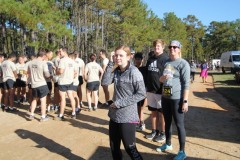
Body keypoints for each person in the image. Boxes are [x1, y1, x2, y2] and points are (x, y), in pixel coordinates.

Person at [102, 45, 145, 160]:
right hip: (114, 116)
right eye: (116, 55)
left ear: (128, 57)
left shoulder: (134, 72)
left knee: (130, 148)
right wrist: (111, 63)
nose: (118, 58)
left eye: (121, 55)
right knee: (114, 147)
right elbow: (105, 81)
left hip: (128, 117)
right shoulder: (116, 70)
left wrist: (119, 103)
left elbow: (141, 93)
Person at [157, 40, 190, 160]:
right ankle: (168, 144)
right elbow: (161, 79)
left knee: (179, 125)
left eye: (175, 47)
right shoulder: (166, 62)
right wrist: (162, 78)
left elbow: (186, 84)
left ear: (179, 49)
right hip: (165, 97)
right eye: (170, 47)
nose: (172, 49)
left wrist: (185, 101)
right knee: (167, 122)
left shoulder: (183, 64)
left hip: (177, 98)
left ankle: (182, 152)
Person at [145, 39, 168, 142]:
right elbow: (147, 73)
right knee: (153, 112)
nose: (156, 48)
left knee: (162, 113)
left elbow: (169, 77)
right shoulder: (150, 59)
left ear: (163, 47)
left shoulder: (166, 59)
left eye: (158, 46)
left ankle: (163, 133)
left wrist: (167, 93)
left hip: (161, 91)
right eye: (155, 46)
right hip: (150, 90)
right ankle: (154, 131)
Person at [27, 49, 50, 121]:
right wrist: (50, 75)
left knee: (34, 99)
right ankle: (43, 116)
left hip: (34, 84)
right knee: (43, 100)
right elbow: (47, 75)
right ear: (43, 56)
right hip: (42, 84)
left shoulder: (30, 63)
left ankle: (31, 114)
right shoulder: (43, 63)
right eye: (45, 56)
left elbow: (28, 73)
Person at [56, 47, 78, 120]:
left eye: (60, 51)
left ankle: (61, 115)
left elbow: (61, 71)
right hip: (70, 81)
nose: (59, 53)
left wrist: (57, 71)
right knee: (71, 97)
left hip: (63, 82)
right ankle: (73, 113)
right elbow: (75, 73)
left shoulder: (62, 61)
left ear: (64, 52)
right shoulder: (72, 61)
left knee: (63, 98)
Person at [133, 52, 147, 132]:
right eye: (136, 59)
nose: (137, 61)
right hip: (134, 92)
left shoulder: (145, 69)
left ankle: (141, 123)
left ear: (142, 59)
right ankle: (137, 122)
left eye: (139, 59)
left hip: (142, 92)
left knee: (141, 109)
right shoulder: (133, 68)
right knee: (136, 108)